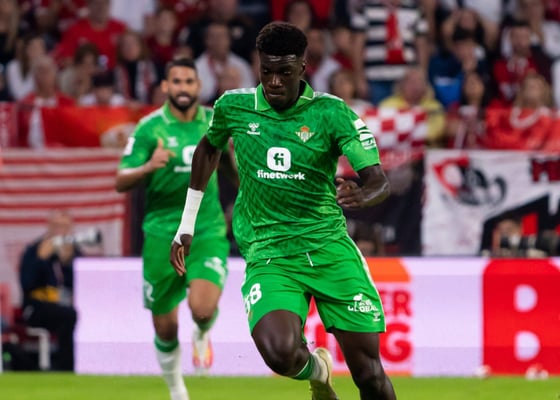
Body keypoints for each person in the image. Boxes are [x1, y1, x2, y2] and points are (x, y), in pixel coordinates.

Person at [171, 22, 396, 400]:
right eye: (267, 71)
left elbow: (378, 180)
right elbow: (209, 149)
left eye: (285, 72)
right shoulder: (233, 107)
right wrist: (186, 224)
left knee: (369, 375)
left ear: (303, 68)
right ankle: (318, 371)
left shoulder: (331, 112)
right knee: (279, 353)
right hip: (269, 250)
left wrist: (364, 194)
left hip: (328, 248)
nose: (274, 81)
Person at [115, 57, 231, 400]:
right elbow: (121, 180)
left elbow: (233, 168)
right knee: (165, 327)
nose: (183, 88)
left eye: (189, 82)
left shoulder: (214, 122)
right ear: (165, 86)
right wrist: (148, 167)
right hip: (161, 233)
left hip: (205, 230)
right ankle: (177, 390)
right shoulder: (149, 128)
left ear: (199, 86)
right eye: (176, 82)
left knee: (202, 307)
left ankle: (202, 331)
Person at [18, 209, 79, 371]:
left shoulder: (74, 252)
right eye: (56, 226)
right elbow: (27, 284)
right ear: (49, 227)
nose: (60, 230)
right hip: (37, 308)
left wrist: (67, 262)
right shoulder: (34, 251)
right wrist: (40, 260)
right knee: (68, 315)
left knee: (74, 314)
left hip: (67, 305)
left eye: (64, 226)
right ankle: (65, 368)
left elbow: (83, 284)